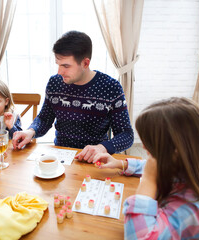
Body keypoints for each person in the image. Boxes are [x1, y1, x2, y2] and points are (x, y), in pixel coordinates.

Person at [92, 97, 199, 240]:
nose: (143, 147)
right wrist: (122, 164)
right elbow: (156, 166)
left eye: (148, 141)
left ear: (174, 150)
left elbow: (140, 237)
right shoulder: (192, 165)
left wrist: (148, 181)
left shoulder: (190, 210)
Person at [12, 30, 133, 161]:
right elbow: (44, 118)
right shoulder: (55, 83)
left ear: (85, 63)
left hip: (94, 158)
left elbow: (126, 134)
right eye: (58, 65)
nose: (59, 72)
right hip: (61, 156)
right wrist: (30, 131)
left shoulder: (111, 87)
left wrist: (103, 147)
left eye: (66, 66)